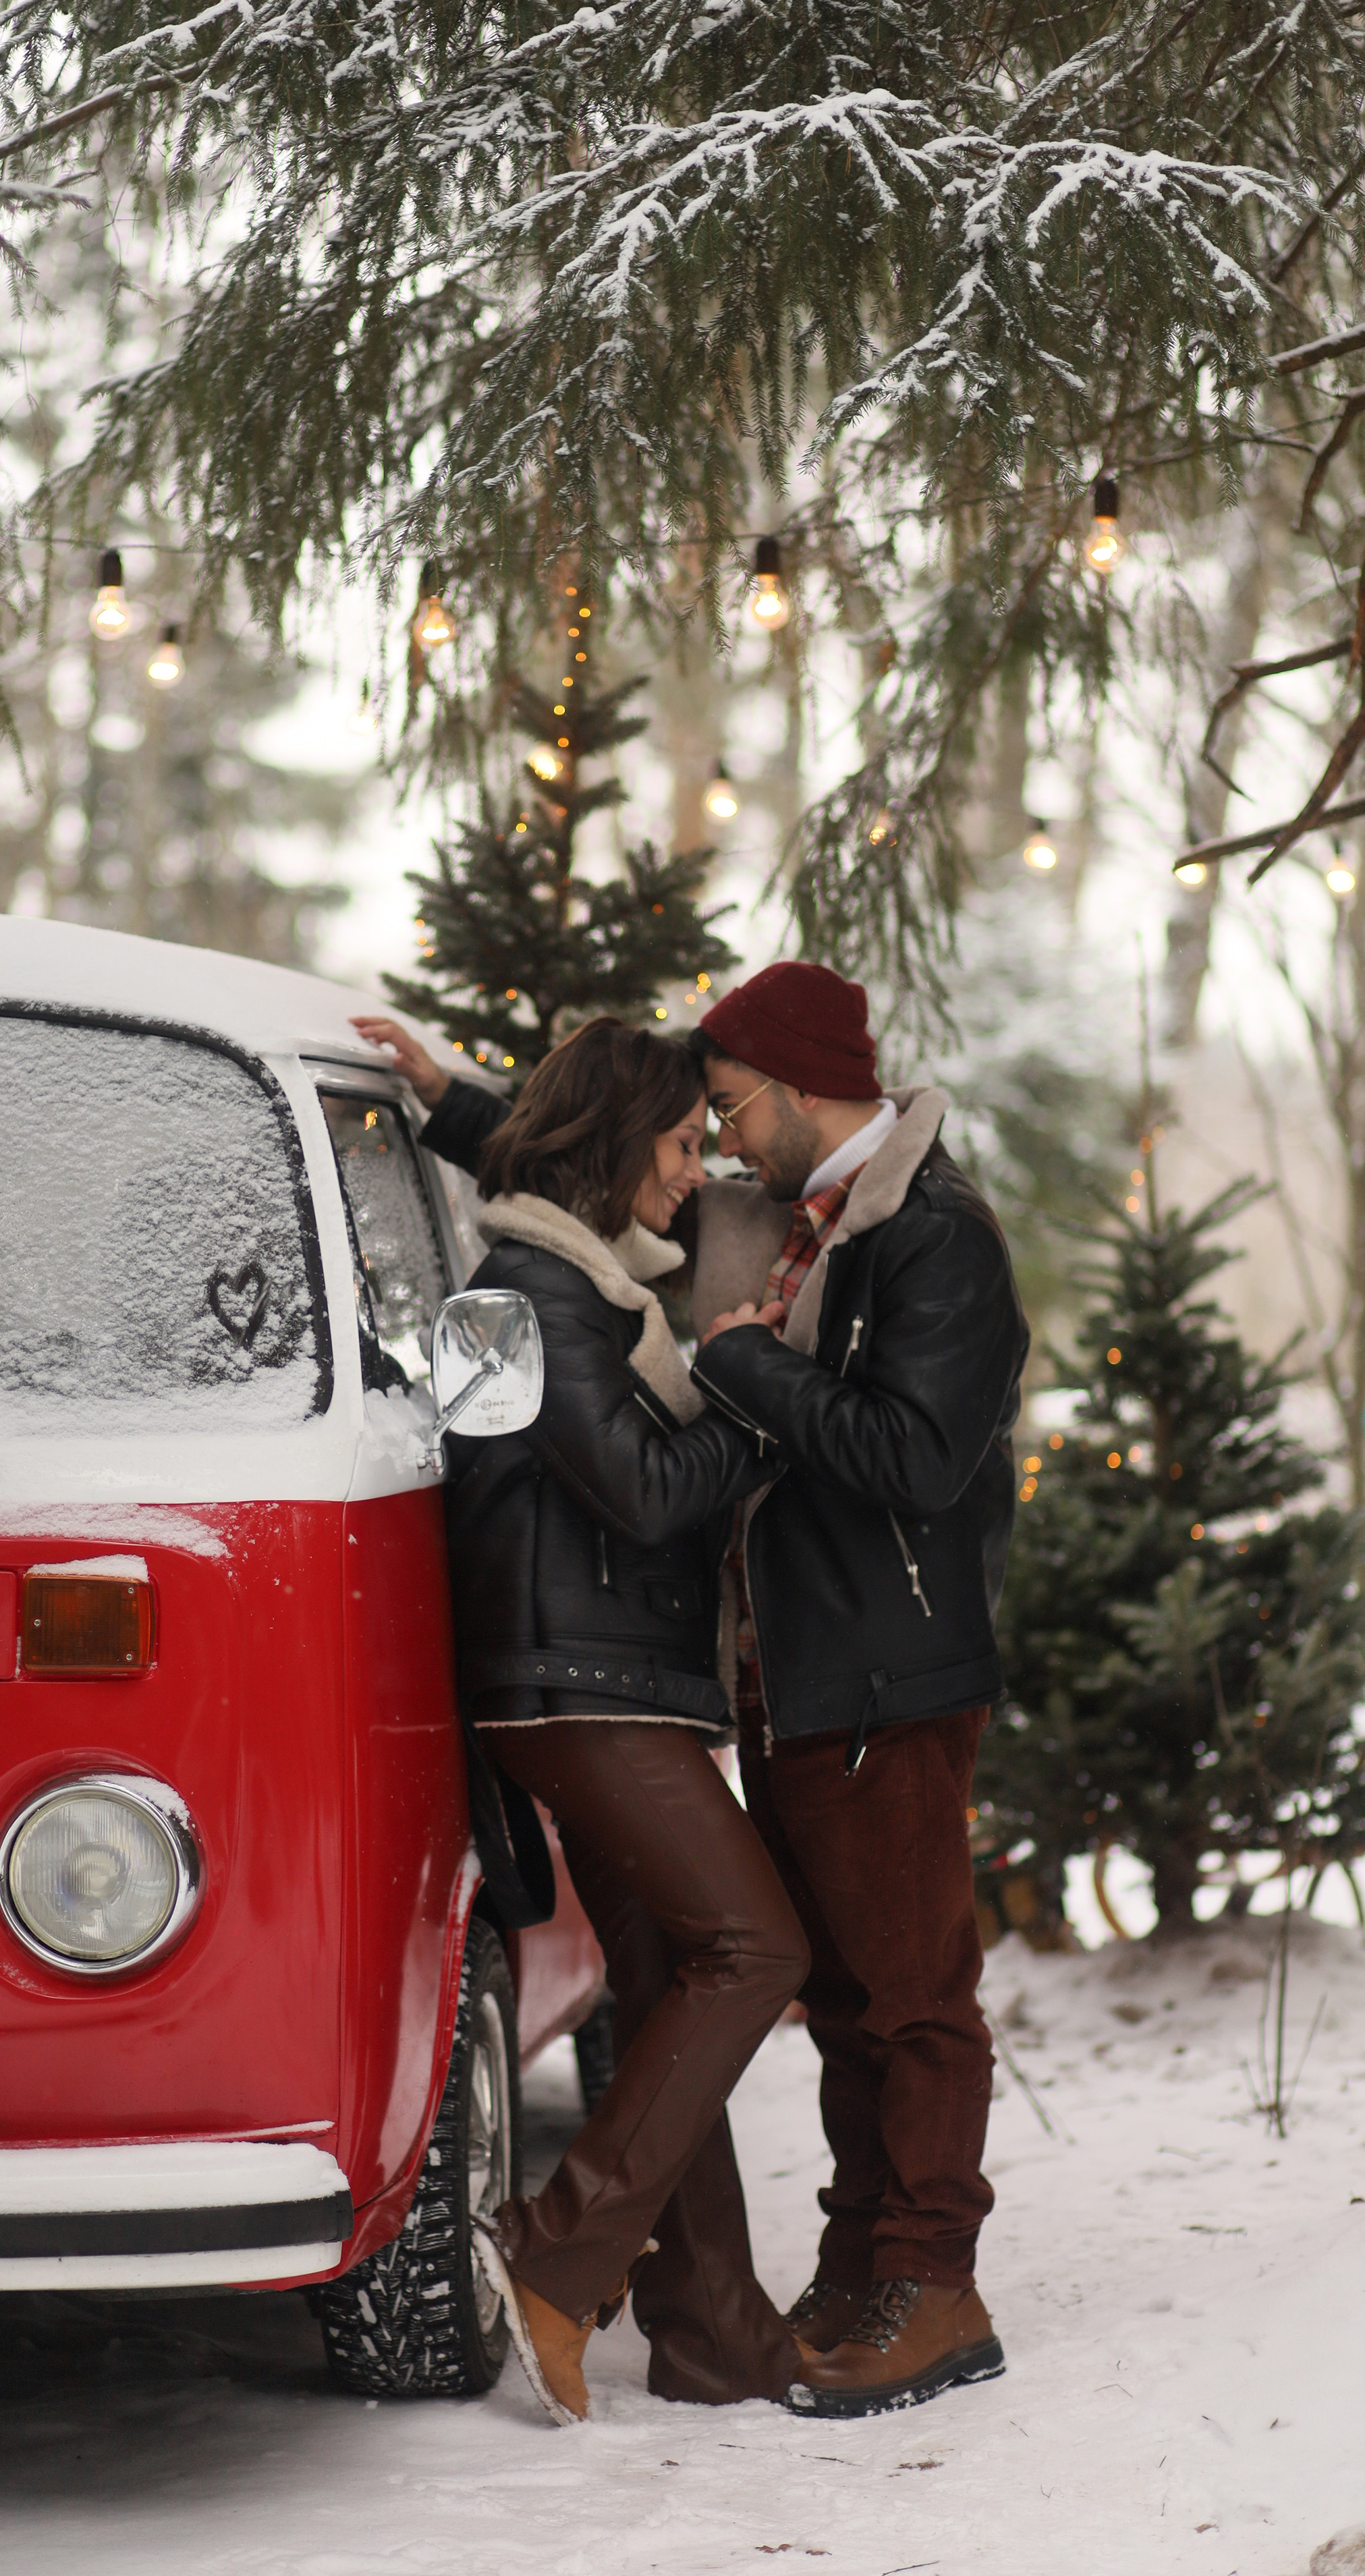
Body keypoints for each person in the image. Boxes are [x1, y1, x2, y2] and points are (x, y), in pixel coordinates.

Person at [354, 967, 1028, 2420]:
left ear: (789, 1089)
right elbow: (571, 1193)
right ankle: (815, 2287)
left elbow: (913, 1458)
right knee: (830, 1987)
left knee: (893, 1994)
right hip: (771, 1674)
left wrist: (742, 1376)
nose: (710, 1145)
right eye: (691, 1123)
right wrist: (453, 1102)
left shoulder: (930, 1236)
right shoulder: (754, 1220)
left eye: (723, 1108)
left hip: (886, 1668)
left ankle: (925, 2282)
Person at [370, 1014, 810, 2423]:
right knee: (754, 1946)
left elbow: (547, 1165)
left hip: (595, 1676)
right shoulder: (530, 1298)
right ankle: (557, 2248)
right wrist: (747, 1389)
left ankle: (713, 2333)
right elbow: (642, 1489)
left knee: (674, 1975)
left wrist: (454, 1097)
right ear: (621, 1141)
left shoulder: (576, 1277)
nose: (693, 1170)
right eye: (679, 1145)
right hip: (578, 1686)